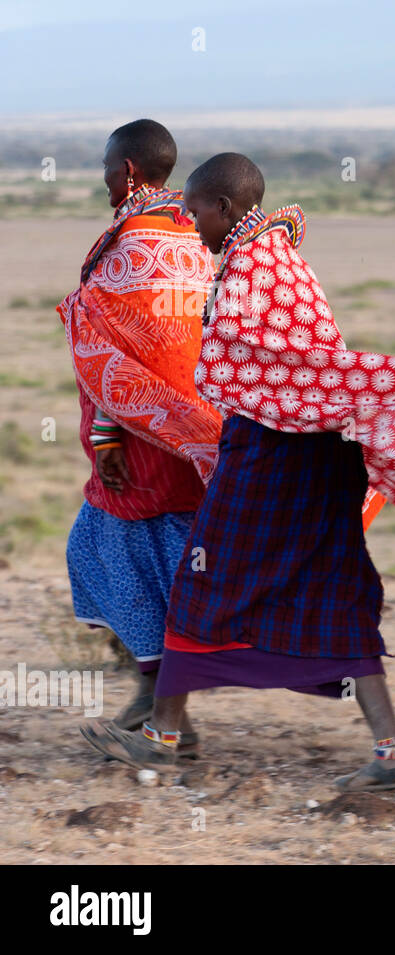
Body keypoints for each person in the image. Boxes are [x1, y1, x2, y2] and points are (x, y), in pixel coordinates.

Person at [81, 153, 395, 791]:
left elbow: (231, 367)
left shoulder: (247, 267)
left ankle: (161, 738)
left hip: (273, 456)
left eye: (198, 209)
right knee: (334, 593)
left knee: (201, 582)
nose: (190, 220)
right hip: (324, 455)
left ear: (228, 209)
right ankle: (392, 750)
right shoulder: (282, 258)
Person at [57, 120, 219, 745]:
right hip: (201, 431)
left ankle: (162, 708)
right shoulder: (194, 231)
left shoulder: (127, 245)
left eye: (105, 168)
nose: (103, 179)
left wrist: (106, 437)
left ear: (126, 171)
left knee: (111, 552)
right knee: (175, 560)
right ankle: (160, 701)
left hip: (141, 444)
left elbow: (109, 357)